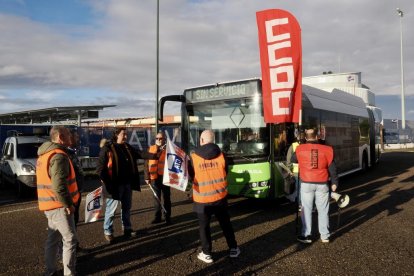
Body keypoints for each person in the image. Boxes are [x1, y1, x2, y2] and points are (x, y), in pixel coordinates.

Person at [96, 127, 158, 243]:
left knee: (126, 208)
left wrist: (155, 155)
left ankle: (127, 229)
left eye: (126, 134)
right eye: (123, 134)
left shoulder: (127, 147)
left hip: (127, 184)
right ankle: (108, 231)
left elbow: (140, 153)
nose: (126, 136)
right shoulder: (107, 148)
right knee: (111, 210)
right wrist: (107, 184)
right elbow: (100, 169)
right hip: (114, 186)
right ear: (116, 135)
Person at [188, 129, 240, 264]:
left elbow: (191, 176)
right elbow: (226, 172)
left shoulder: (194, 158)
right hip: (220, 198)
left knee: (204, 228)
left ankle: (207, 254)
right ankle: (233, 248)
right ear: (214, 141)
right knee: (226, 224)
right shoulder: (222, 155)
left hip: (202, 200)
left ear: (201, 140)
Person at [36, 125, 80, 276]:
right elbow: (59, 185)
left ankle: (49, 271)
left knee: (53, 239)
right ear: (60, 137)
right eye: (68, 135)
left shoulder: (44, 154)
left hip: (49, 205)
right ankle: (69, 273)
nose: (71, 137)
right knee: (70, 239)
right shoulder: (59, 156)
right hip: (59, 205)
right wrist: (68, 204)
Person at [291, 128, 339, 244]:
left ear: (306, 137)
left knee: (306, 209)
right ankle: (325, 236)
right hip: (322, 183)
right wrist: (334, 183)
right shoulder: (327, 149)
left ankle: (306, 235)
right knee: (323, 210)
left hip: (306, 183)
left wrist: (302, 146)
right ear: (317, 137)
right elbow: (332, 168)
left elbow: (293, 159)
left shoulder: (300, 148)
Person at [144, 131, 172, 225]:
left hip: (165, 178)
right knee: (156, 199)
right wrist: (146, 176)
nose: (159, 140)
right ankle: (157, 217)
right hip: (154, 178)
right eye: (157, 138)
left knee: (167, 198)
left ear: (164, 139)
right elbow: (146, 164)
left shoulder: (169, 149)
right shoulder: (150, 149)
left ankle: (167, 217)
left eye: (161, 138)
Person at [67, 129, 85, 228]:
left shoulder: (73, 152)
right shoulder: (66, 154)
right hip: (71, 194)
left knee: (75, 219)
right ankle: (69, 242)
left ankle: (74, 241)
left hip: (77, 191)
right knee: (70, 220)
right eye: (76, 137)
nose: (78, 139)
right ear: (70, 138)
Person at [285, 131, 306, 203]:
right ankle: (300, 203)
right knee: (300, 189)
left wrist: (289, 170)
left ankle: (294, 199)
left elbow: (288, 160)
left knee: (300, 188)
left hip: (298, 172)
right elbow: (289, 161)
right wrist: (289, 170)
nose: (302, 138)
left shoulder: (293, 146)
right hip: (298, 172)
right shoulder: (303, 145)